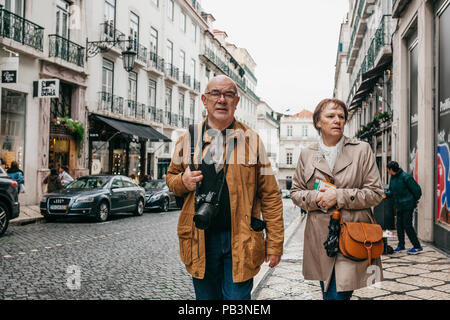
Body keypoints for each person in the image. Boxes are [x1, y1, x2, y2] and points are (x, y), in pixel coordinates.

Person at [166, 75, 284, 300]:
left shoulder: (252, 140)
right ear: (204, 99)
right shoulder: (188, 138)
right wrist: (183, 181)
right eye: (215, 94)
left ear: (236, 102)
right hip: (200, 238)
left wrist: (275, 243)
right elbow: (171, 178)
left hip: (240, 239)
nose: (222, 100)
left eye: (228, 95)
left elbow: (270, 194)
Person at [290, 98, 384, 300]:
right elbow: (296, 192)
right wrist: (316, 197)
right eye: (330, 116)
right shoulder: (307, 154)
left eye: (341, 117)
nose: (337, 120)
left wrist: (339, 196)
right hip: (320, 239)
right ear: (317, 122)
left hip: (352, 234)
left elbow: (376, 192)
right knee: (328, 292)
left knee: (336, 295)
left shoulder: (361, 150)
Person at [386, 161, 423, 255]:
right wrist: (383, 195)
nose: (387, 171)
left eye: (387, 169)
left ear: (390, 169)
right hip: (399, 206)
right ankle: (401, 246)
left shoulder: (406, 177)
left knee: (407, 226)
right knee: (399, 226)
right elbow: (391, 192)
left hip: (408, 206)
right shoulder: (393, 178)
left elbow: (417, 190)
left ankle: (417, 246)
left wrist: (413, 200)